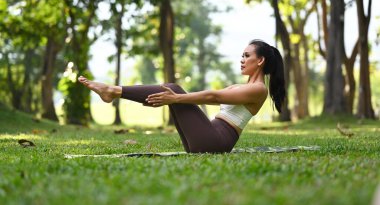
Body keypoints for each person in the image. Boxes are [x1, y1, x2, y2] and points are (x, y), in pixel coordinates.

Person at [78, 39, 286, 153]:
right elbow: (213, 97)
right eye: (242, 55)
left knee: (174, 90)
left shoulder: (259, 89)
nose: (241, 60)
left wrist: (176, 99)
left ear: (260, 61)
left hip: (216, 141)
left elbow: (213, 97)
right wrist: (172, 101)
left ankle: (113, 91)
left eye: (246, 56)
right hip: (208, 137)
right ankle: (113, 92)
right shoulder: (240, 86)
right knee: (171, 90)